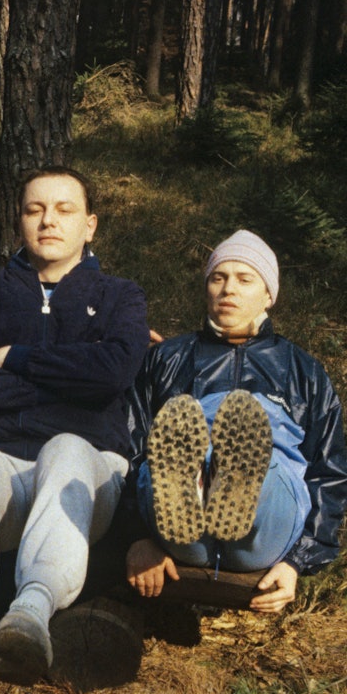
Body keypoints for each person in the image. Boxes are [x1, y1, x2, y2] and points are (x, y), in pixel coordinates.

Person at [0, 166, 150, 692]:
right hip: (1, 479)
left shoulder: (120, 297)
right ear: (19, 221)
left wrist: (15, 357)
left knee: (68, 444)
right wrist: (68, 389)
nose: (48, 221)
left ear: (89, 226)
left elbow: (112, 372)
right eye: (34, 209)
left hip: (85, 484)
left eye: (64, 210)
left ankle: (31, 615)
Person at [125, 230, 346, 614]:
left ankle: (235, 474)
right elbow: (125, 448)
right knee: (169, 454)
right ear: (206, 288)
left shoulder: (304, 371)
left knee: (262, 456)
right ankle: (193, 480)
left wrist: (298, 562)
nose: (229, 288)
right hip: (180, 538)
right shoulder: (166, 359)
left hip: (264, 532)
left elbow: (329, 473)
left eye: (245, 279)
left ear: (268, 295)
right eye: (218, 277)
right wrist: (137, 538)